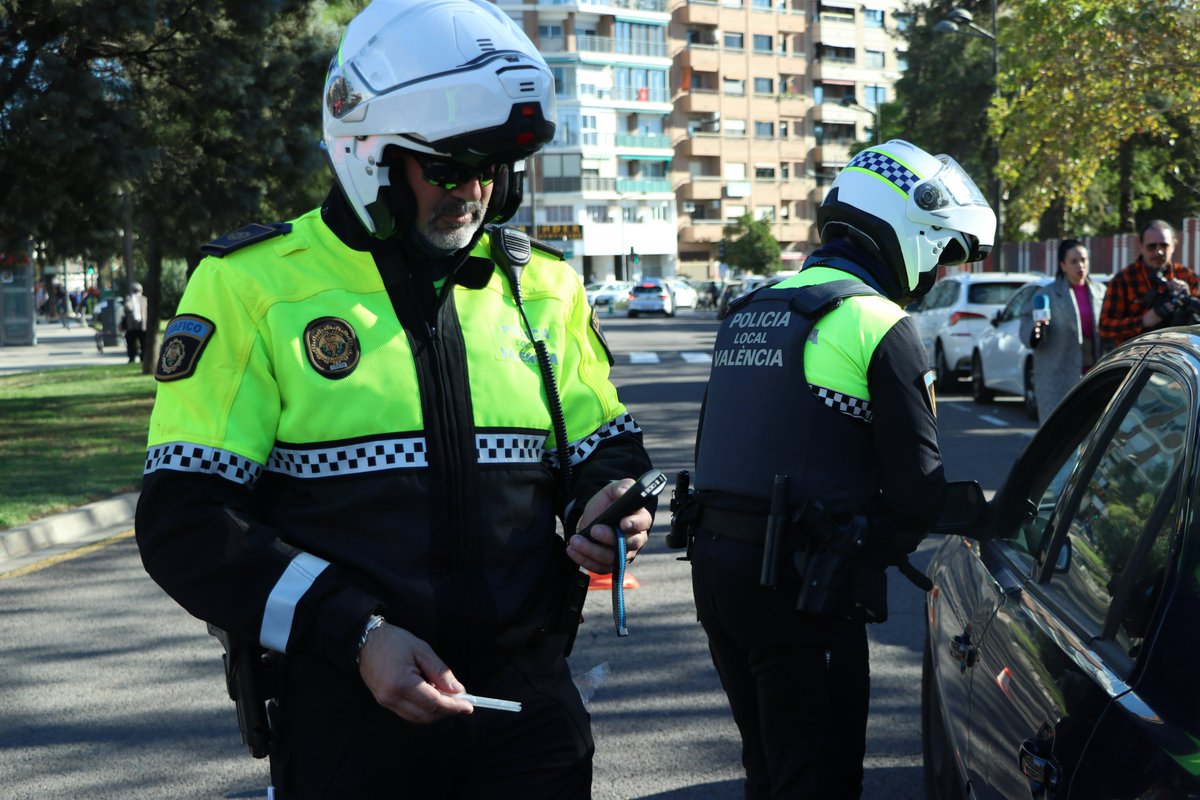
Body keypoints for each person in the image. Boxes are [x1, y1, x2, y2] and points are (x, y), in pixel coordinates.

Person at [134, 1, 654, 797]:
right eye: (447, 168)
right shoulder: (253, 286)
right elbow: (187, 520)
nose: (475, 192)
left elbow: (602, 445)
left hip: (527, 709)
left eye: (493, 169)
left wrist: (610, 502)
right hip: (350, 716)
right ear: (368, 156)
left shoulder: (543, 286)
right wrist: (356, 633)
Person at [678, 140, 996, 799]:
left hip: (717, 576)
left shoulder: (750, 310)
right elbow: (916, 493)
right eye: (943, 252)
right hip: (802, 591)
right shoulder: (877, 322)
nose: (939, 273)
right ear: (908, 231)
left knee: (768, 771)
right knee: (817, 780)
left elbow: (719, 446)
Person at [1020, 239, 1107, 423]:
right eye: (1074, 261)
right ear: (1063, 265)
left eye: (1083, 260)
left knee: (1093, 432)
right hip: (1057, 376)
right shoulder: (1047, 294)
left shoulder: (1101, 292)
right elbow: (1026, 323)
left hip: (1095, 374)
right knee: (1060, 435)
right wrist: (1036, 330)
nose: (1080, 266)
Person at [1098, 219, 1200, 349]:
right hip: (1135, 360)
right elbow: (1105, 328)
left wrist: (1188, 299)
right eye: (1152, 246)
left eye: (1164, 245)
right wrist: (1143, 321)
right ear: (1141, 246)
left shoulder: (1187, 277)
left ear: (1173, 246)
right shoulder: (1123, 280)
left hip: (1179, 360)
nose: (1159, 252)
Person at [119, 281, 148, 362]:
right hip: (143, 325)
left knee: (131, 344)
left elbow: (127, 308)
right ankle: (143, 358)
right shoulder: (145, 299)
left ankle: (132, 358)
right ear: (141, 290)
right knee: (144, 344)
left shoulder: (130, 299)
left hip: (131, 326)